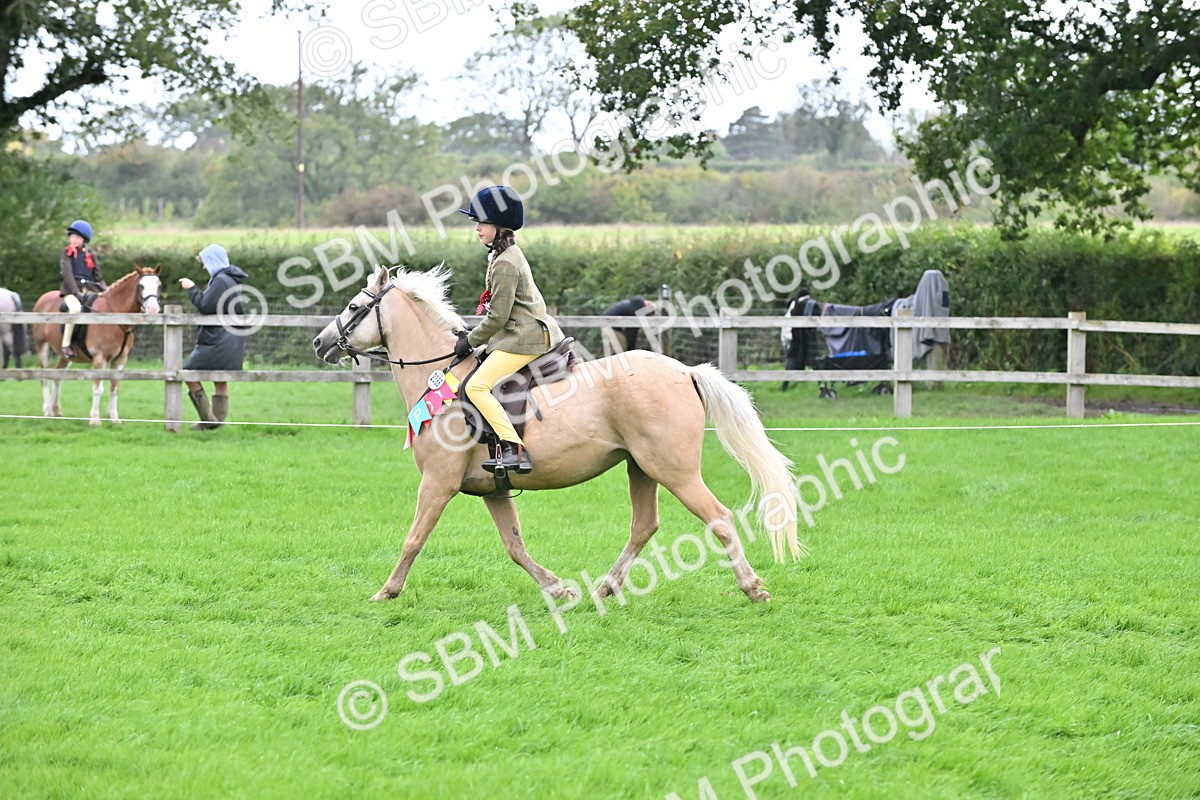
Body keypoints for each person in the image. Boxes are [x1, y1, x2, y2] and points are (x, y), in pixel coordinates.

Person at [454, 186, 564, 475]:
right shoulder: (503, 254)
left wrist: (470, 340)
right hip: (517, 332)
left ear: (499, 227)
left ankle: (513, 447)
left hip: (525, 337)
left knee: (476, 386)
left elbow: (498, 318)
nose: (476, 228)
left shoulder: (505, 263)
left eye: (482, 223)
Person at [179, 244, 248, 430]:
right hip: (232, 343)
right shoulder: (232, 280)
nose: (203, 267)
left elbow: (205, 305)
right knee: (220, 379)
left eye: (204, 262)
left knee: (188, 373)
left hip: (217, 342)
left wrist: (191, 288)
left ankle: (208, 420)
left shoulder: (221, 281)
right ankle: (215, 422)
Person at [58, 220, 107, 359]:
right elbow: (67, 275)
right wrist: (76, 292)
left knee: (101, 307)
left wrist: (107, 291)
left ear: (84, 239)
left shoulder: (90, 254)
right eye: (72, 236)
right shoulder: (66, 253)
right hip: (70, 290)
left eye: (77, 237)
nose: (73, 239)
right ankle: (66, 344)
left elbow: (98, 277)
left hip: (89, 289)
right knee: (75, 309)